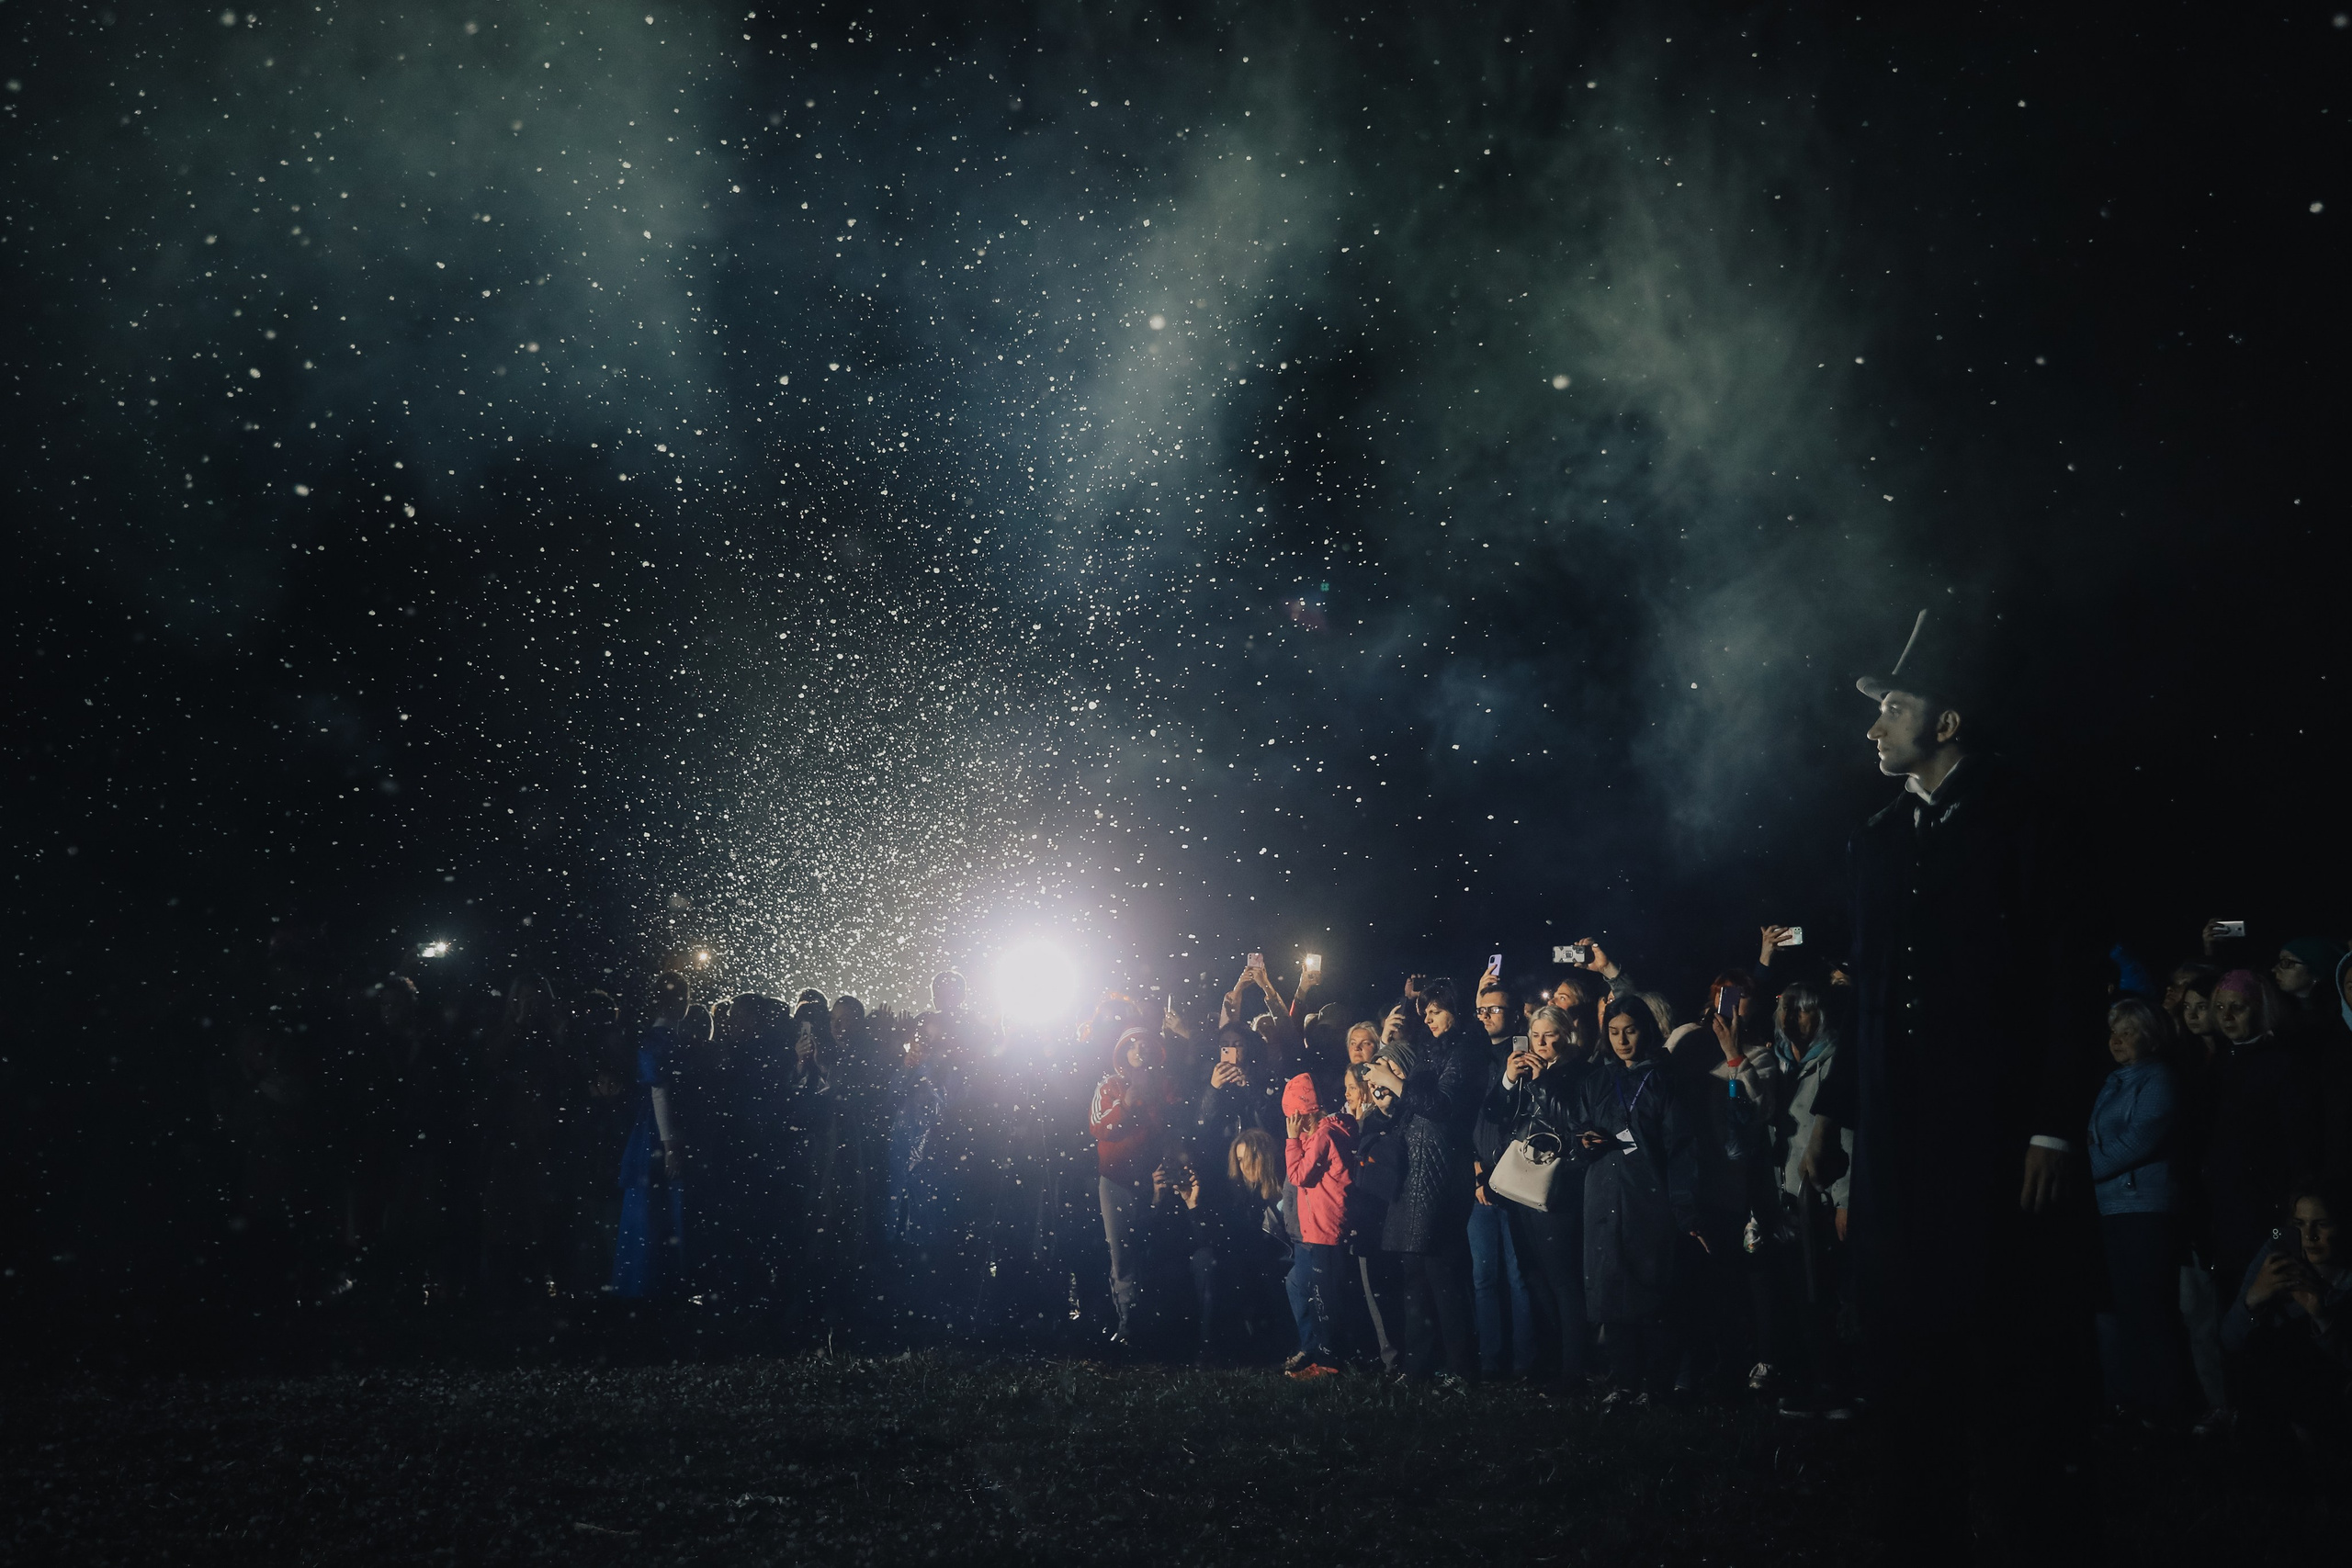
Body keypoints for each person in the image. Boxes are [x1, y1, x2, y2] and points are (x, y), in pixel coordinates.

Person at [1804, 608, 2108, 1562]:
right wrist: (1831, 1115)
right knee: (1899, 1331)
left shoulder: (2028, 819)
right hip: (1897, 1137)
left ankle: (2020, 1521)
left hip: (1993, 1129)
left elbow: (2068, 982)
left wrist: (2052, 1126)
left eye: (1892, 707)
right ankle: (1914, 1519)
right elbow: (1868, 988)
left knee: (2000, 1331)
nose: (1873, 726)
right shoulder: (1878, 838)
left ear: (1946, 721)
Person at [1573, 997, 1702, 1405]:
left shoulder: (1664, 1080)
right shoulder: (1597, 1080)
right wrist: (1585, 1143)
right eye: (1613, 1032)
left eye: (1629, 1030)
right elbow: (1579, 1129)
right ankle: (1624, 1381)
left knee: (1650, 1289)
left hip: (1648, 1197)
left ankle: (1656, 1384)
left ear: (1645, 1029)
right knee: (1610, 1291)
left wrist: (1684, 1210)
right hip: (1604, 1194)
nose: (1622, 1040)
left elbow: (1681, 1148)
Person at [2089, 998, 2188, 1422]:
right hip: (2110, 1208)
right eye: (2114, 1031)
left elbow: (2139, 1138)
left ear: (2150, 1036)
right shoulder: (2112, 1081)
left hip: (2144, 1208)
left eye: (2128, 1031)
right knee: (2122, 1310)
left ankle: (2165, 1409)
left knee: (2149, 1309)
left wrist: (2084, 1169)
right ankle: (2131, 1405)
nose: (2117, 1039)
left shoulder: (2160, 1079)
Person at [1355, 1038, 1478, 1382]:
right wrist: (1382, 1108)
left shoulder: (1428, 1102)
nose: (1386, 1076)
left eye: (1393, 1067)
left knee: (1442, 1281)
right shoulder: (1391, 1111)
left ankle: (1459, 1365)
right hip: (1406, 1203)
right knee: (1414, 1284)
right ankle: (1418, 1365)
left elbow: (1436, 1120)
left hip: (1435, 1201)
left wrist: (1396, 1087)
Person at [1488, 1004, 1597, 1387]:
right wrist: (1508, 1079)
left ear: (1567, 1035)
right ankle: (1548, 1359)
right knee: (1533, 1274)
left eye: (1550, 1035)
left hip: (1558, 1185)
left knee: (1563, 1277)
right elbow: (1495, 1116)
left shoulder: (1580, 1072)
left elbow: (1572, 1121)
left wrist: (1540, 1082)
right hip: (1521, 1181)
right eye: (1536, 1035)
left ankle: (1574, 1367)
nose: (1542, 1043)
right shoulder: (1525, 1073)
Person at [1764, 984, 1854, 1418]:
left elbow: (1848, 1135)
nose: (1791, 1018)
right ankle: (1807, 1382)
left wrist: (1845, 1199)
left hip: (1819, 1197)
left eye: (1801, 1010)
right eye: (1786, 1009)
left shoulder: (1834, 1062)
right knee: (1796, 1295)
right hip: (1782, 1197)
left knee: (1824, 1294)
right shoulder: (1778, 1063)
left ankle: (1835, 1386)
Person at [2222, 1178, 2350, 1461]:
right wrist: (2253, 1300)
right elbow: (2230, 1340)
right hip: (2274, 1389)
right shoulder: (2278, 1252)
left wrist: (2322, 1317)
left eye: (2322, 1224)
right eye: (2299, 1224)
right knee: (2264, 1346)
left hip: (2329, 1394)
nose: (2309, 1236)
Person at [1467, 976, 1538, 1380]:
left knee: (1518, 1275)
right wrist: (1475, 1170)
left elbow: (1517, 1117)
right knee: (1483, 1277)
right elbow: (1467, 1120)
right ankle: (1491, 1361)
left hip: (1516, 1179)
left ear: (1515, 1016)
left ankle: (1526, 1362)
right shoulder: (1472, 1058)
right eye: (1481, 1010)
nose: (1486, 1016)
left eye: (1494, 1009)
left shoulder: (1527, 1056)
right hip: (1479, 1178)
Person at [1088, 1010, 1170, 1346]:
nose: (1139, 1050)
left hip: (1153, 1180)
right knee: (1121, 1252)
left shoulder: (1166, 1087)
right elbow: (1098, 1127)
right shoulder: (1108, 1085)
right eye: (1132, 1045)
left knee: (1153, 1247)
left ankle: (1154, 1321)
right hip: (1116, 1182)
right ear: (1122, 1052)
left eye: (1144, 1044)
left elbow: (1172, 1129)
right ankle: (1127, 1324)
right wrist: (1125, 1104)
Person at [611, 972, 691, 1300]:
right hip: (660, 1132)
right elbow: (661, 1092)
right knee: (658, 1207)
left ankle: (646, 1285)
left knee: (652, 1207)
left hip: (655, 1130)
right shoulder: (661, 1039)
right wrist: (670, 1145)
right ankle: (651, 1286)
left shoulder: (659, 1037)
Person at [1283, 1073, 1357, 1376]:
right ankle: (1323, 1358)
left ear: (1301, 1113)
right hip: (1318, 1229)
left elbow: (1298, 1176)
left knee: (1326, 1300)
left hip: (1326, 1227)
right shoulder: (1320, 1135)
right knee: (1319, 1296)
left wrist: (1292, 1140)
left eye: (1291, 1116)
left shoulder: (1325, 1136)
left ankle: (1330, 1363)